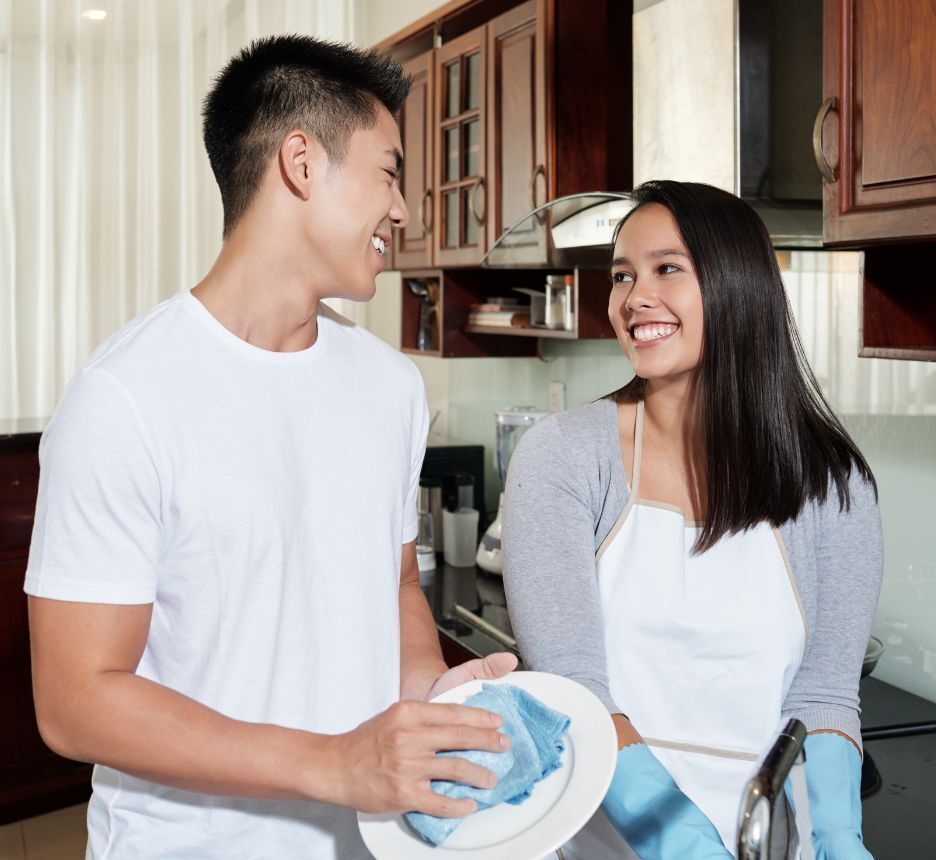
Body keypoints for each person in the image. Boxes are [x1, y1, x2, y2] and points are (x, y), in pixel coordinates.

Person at [25, 35, 516, 860]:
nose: (403, 210)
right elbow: (75, 700)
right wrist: (333, 762)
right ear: (300, 162)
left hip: (369, 839)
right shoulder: (124, 399)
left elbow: (394, 585)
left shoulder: (390, 386)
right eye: (390, 173)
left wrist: (428, 700)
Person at [503, 180, 882, 859]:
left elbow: (823, 698)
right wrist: (681, 843)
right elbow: (573, 690)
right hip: (610, 840)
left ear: (738, 286)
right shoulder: (563, 458)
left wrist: (838, 838)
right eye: (623, 275)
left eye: (666, 269)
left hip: (771, 840)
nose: (633, 298)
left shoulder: (831, 481)